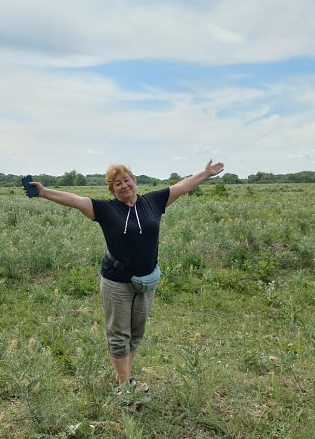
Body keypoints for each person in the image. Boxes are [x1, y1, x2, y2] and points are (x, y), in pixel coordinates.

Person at [25, 159, 224, 391]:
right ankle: (126, 386)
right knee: (119, 334)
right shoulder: (106, 209)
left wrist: (205, 173)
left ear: (134, 181)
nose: (124, 185)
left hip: (147, 281)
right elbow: (76, 200)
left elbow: (181, 187)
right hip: (116, 282)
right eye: (117, 184)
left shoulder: (153, 201)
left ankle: (125, 379)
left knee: (136, 333)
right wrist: (44, 192)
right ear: (112, 190)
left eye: (126, 180)